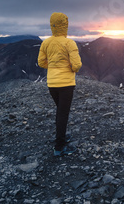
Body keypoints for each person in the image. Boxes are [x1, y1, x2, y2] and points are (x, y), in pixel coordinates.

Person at [38, 12, 82, 156]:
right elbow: (77, 65)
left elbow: (41, 62)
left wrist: (53, 67)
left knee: (60, 112)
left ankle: (60, 137)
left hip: (52, 84)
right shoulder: (69, 43)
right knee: (63, 114)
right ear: (65, 25)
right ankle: (59, 148)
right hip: (66, 84)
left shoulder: (46, 43)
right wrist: (67, 68)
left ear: (52, 25)